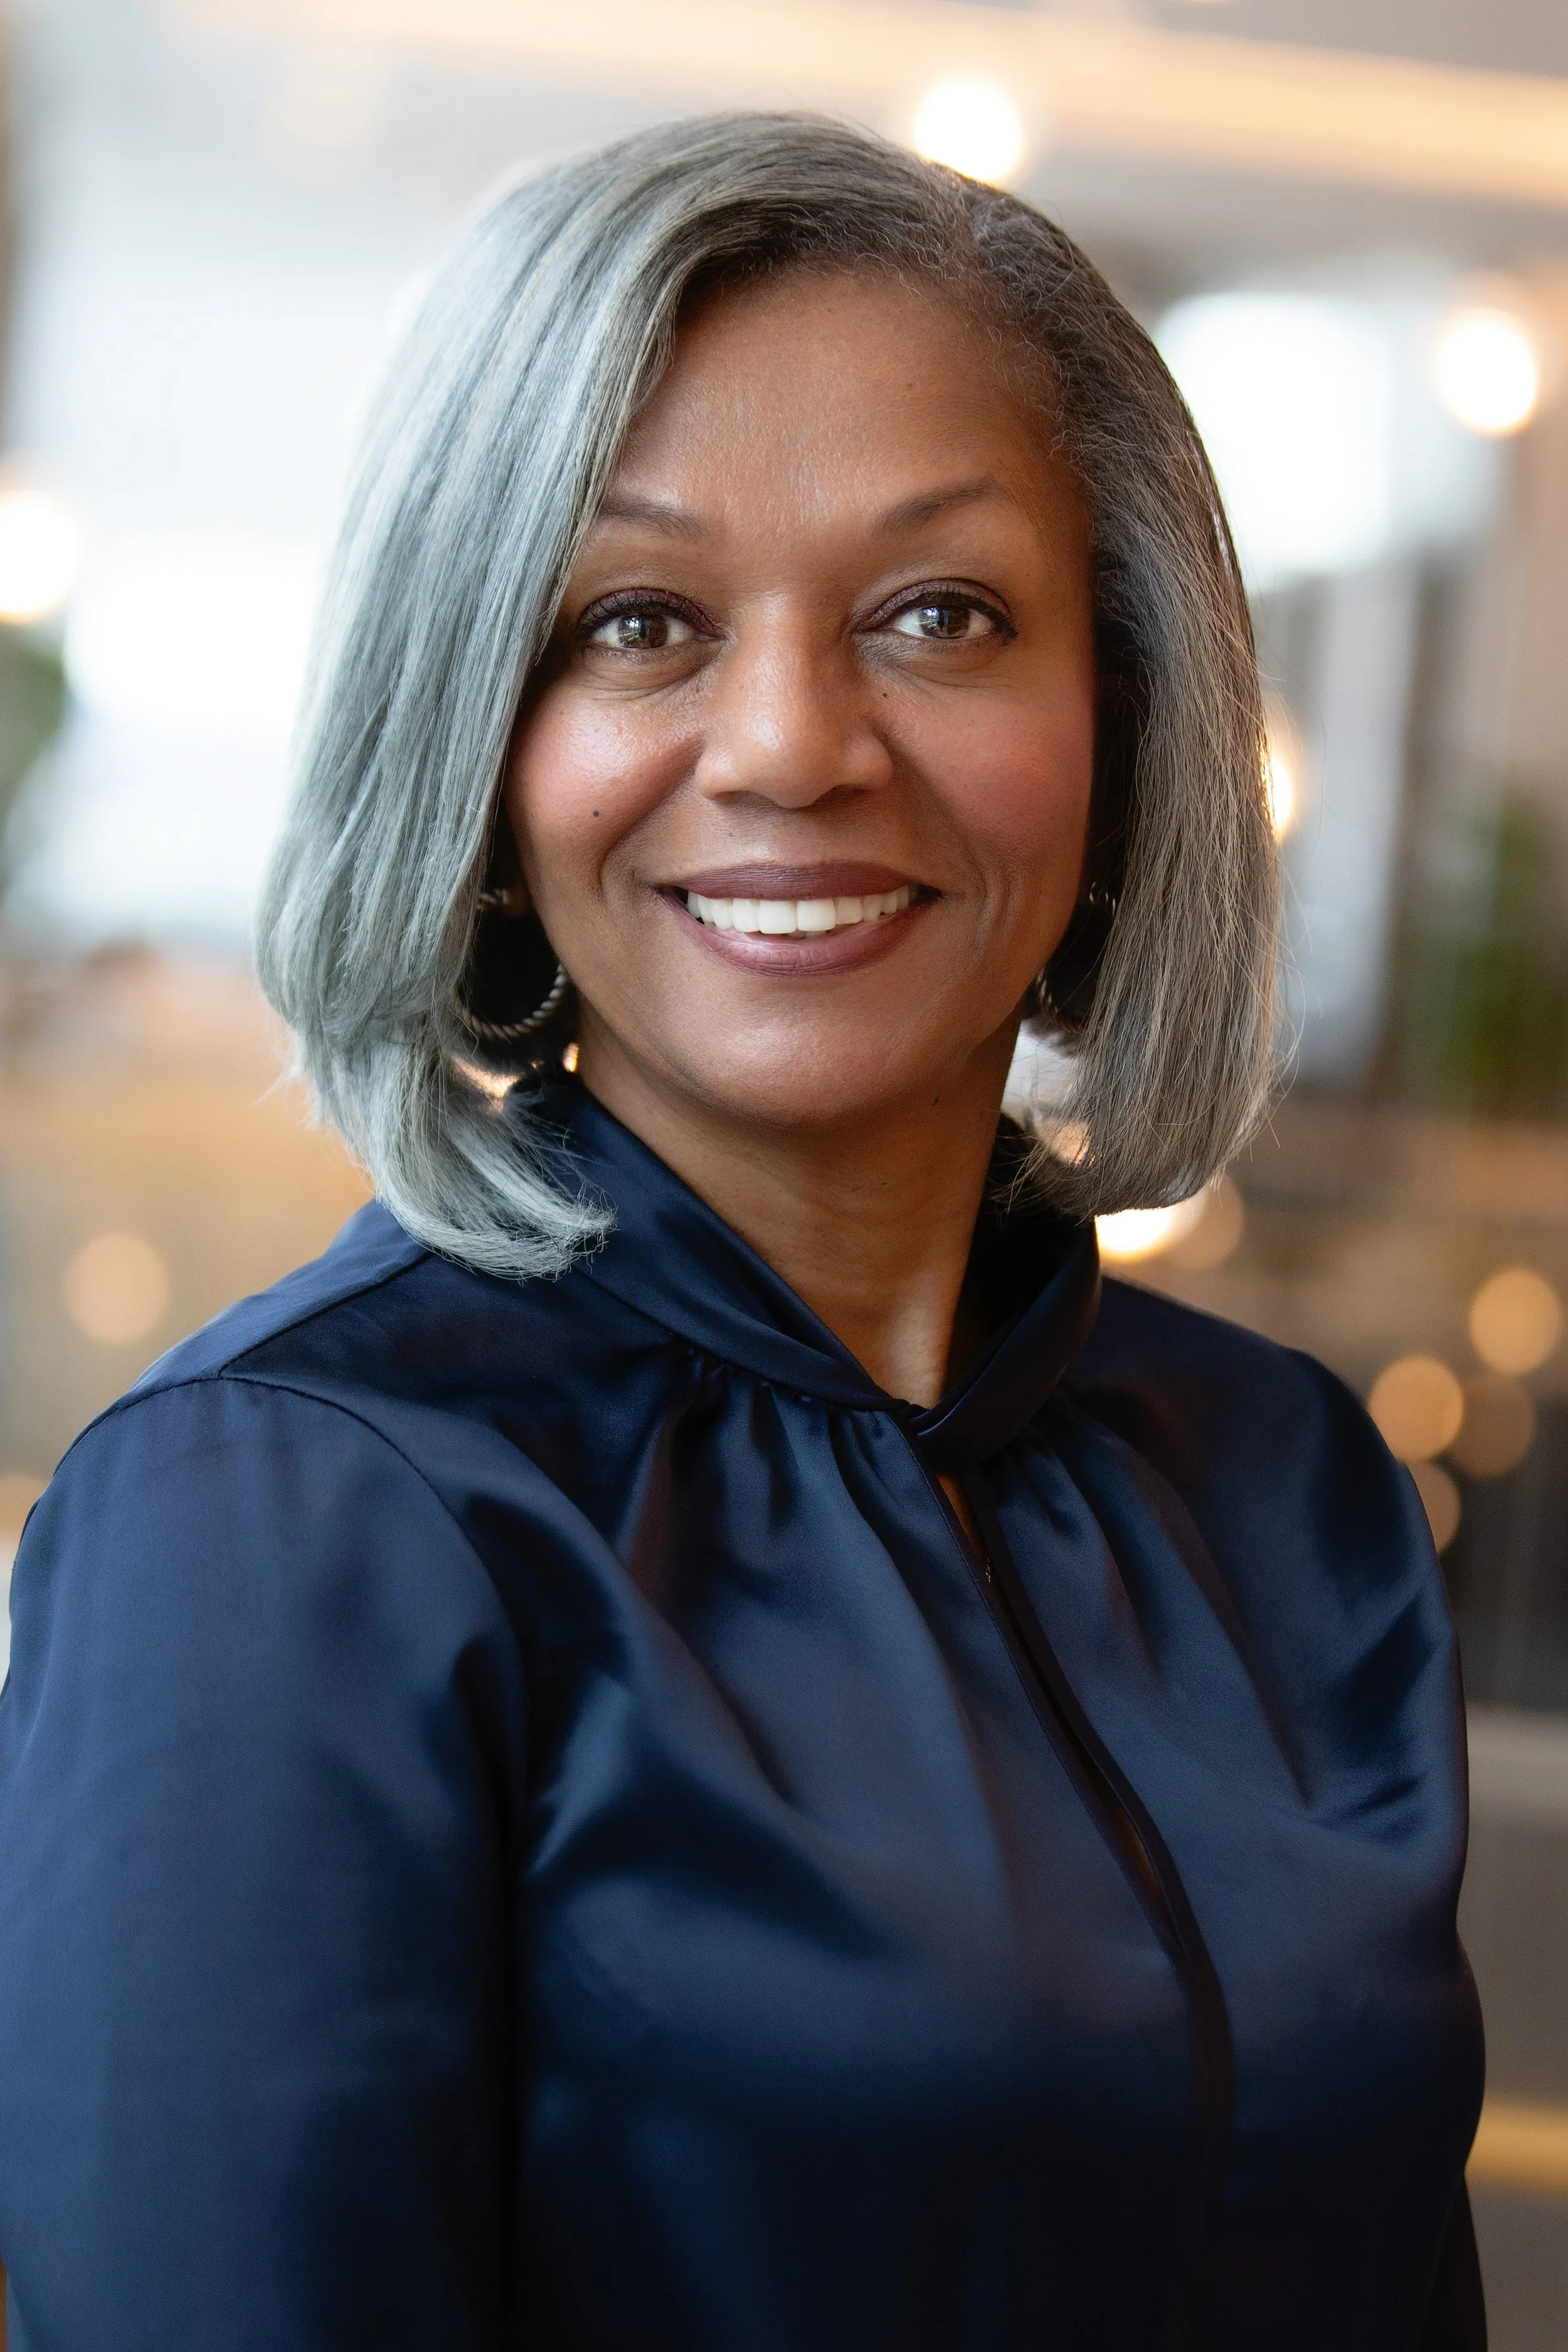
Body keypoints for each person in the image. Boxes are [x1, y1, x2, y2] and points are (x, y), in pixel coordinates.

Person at [0, 114, 1484, 2349]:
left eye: (935, 612)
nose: (790, 743)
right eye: (636, 622)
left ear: (1127, 712)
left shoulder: (1284, 1483)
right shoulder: (289, 1510)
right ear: (480, 750)